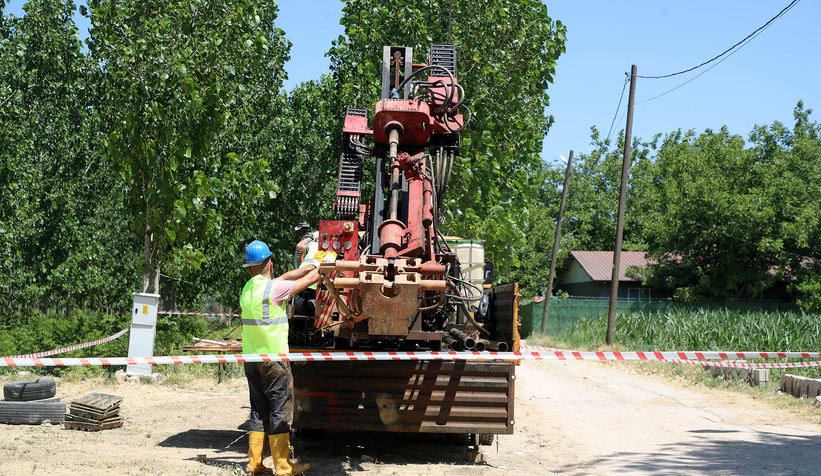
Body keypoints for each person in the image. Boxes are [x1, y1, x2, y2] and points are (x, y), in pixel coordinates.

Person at [240, 239, 329, 475]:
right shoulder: (274, 289)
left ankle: (255, 463)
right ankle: (282, 465)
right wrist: (326, 265)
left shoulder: (249, 288)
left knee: (259, 410)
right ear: (270, 263)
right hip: (274, 361)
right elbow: (309, 282)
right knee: (281, 408)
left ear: (249, 268)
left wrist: (310, 265)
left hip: (251, 360)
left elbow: (287, 277)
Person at [293, 231, 320, 317]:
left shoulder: (312, 245)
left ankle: (307, 305)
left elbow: (299, 245)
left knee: (300, 300)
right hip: (315, 284)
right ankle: (313, 303)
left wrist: (311, 237)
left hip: (300, 281)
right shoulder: (330, 248)